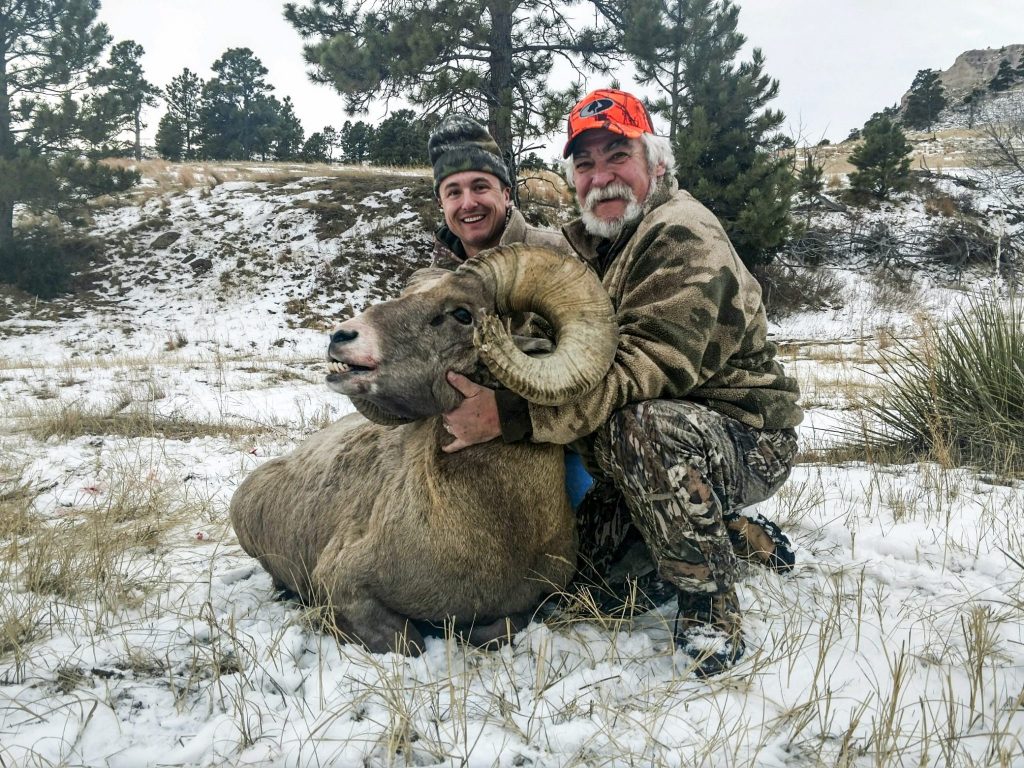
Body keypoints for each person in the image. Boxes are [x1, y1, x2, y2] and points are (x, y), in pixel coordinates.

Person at [440, 88, 803, 677]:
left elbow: (638, 373)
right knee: (582, 584)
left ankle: (710, 604)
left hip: (741, 435)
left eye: (618, 156)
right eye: (585, 164)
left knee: (642, 424)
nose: (601, 176)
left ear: (656, 164)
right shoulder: (597, 245)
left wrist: (508, 415)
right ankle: (730, 533)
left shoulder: (683, 233)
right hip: (637, 451)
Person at [426, 114, 568, 269]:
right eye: (454, 193)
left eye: (480, 187)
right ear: (441, 203)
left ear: (505, 194)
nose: (468, 204)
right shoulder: (432, 281)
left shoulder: (562, 255)